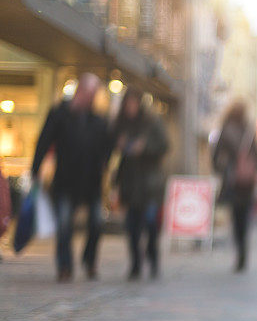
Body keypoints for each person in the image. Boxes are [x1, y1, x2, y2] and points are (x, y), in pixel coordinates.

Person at [31, 73, 111, 282]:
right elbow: (44, 140)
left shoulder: (98, 120)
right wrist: (35, 169)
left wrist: (105, 165)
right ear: (81, 91)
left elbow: (106, 147)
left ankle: (89, 260)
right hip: (66, 180)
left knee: (96, 223)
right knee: (65, 225)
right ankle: (64, 266)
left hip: (91, 182)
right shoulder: (60, 114)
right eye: (91, 93)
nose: (92, 98)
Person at [113, 87, 169, 280]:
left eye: (133, 103)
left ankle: (153, 258)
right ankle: (136, 263)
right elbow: (114, 149)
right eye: (127, 104)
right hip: (130, 183)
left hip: (150, 183)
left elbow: (164, 145)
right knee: (132, 227)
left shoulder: (152, 122)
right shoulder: (121, 124)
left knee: (151, 224)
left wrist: (144, 148)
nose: (130, 107)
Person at [213, 101, 257, 272]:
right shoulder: (249, 131)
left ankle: (239, 251)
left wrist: (222, 169)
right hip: (247, 182)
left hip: (233, 180)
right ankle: (243, 250)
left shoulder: (226, 129)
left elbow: (215, 155)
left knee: (236, 217)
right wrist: (254, 169)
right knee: (244, 217)